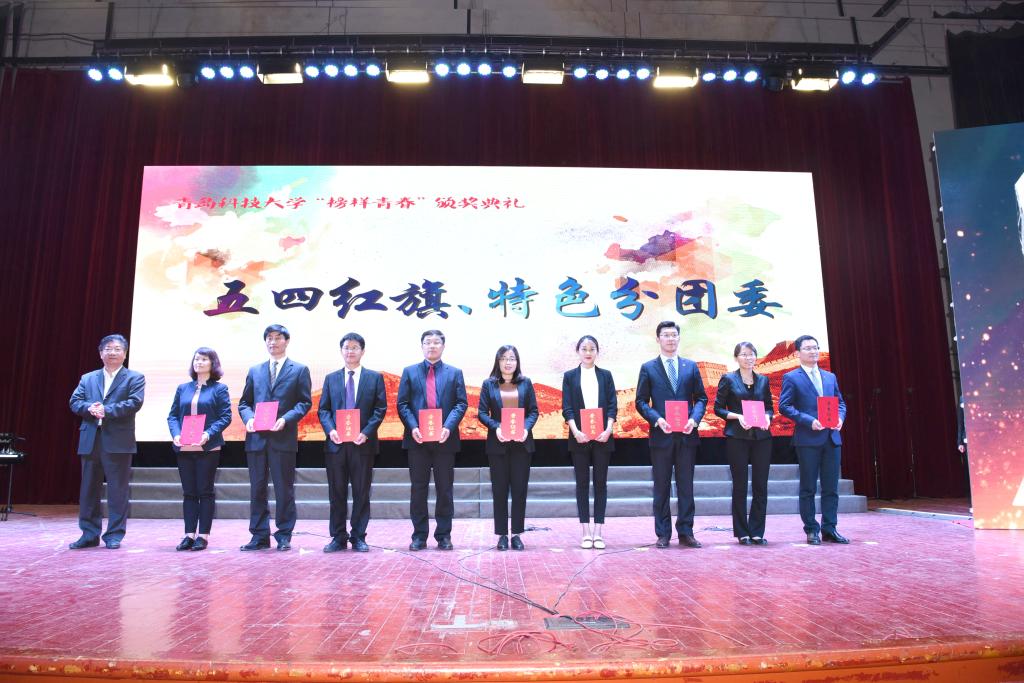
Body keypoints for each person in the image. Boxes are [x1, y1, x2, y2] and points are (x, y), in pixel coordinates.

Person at [237, 324, 312, 551]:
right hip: (257, 439)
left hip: (283, 437)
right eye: (269, 338)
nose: (273, 342)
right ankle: (259, 535)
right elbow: (244, 403)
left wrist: (286, 419)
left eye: (278, 338)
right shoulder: (255, 370)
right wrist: (249, 418)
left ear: (286, 341)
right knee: (257, 489)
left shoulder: (299, 370)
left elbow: (304, 402)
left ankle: (284, 535)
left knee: (284, 489)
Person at [68, 334, 145, 550]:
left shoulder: (135, 378)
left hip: (119, 440)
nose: (112, 352)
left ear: (125, 353)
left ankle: (114, 535)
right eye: (108, 349)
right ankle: (89, 534)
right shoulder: (88, 378)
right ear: (100, 353)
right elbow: (75, 401)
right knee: (88, 489)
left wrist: (106, 410)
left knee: (117, 490)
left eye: (117, 349)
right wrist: (89, 408)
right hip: (91, 439)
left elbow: (134, 403)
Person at [635, 321, 708, 549]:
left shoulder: (690, 367)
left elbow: (701, 398)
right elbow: (640, 401)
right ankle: (663, 533)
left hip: (687, 435)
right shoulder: (648, 368)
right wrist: (657, 419)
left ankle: (686, 532)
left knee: (686, 486)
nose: (670, 339)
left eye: (674, 335)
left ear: (679, 338)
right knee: (662, 487)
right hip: (662, 435)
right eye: (666, 335)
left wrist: (694, 419)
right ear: (658, 339)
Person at [396, 329, 468, 551]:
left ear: (443, 346)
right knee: (418, 489)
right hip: (417, 440)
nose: (432, 346)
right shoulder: (409, 372)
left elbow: (461, 403)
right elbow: (403, 404)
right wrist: (413, 427)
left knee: (444, 489)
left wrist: (448, 427)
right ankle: (419, 536)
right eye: (428, 342)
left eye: (436, 342)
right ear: (422, 346)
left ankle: (444, 535)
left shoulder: (454, 373)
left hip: (445, 439)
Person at [317, 333, 387, 553]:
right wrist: (330, 430)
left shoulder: (374, 378)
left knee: (361, 493)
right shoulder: (331, 378)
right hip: (336, 445)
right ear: (341, 351)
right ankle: (338, 537)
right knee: (336, 493)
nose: (350, 351)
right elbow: (323, 409)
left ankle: (358, 537)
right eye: (346, 347)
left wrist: (366, 432)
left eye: (355, 347)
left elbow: (380, 409)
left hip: (362, 445)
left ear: (362, 351)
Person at [779, 334, 848, 545]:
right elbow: (784, 406)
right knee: (808, 487)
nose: (813, 351)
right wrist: (809, 421)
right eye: (808, 348)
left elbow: (840, 403)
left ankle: (830, 528)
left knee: (831, 488)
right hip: (808, 439)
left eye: (815, 347)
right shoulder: (792, 377)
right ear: (798, 353)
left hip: (831, 438)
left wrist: (840, 418)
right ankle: (811, 529)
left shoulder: (830, 377)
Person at [166, 347, 232, 551]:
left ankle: (203, 535)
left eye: (204, 359)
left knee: (205, 491)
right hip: (184, 447)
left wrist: (208, 434)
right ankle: (188, 535)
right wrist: (176, 434)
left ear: (213, 363)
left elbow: (225, 417)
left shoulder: (219, 389)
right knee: (189, 492)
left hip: (208, 447)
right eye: (196, 359)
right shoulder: (182, 388)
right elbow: (173, 416)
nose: (199, 362)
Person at [477, 345, 539, 551]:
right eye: (504, 358)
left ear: (517, 361)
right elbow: (482, 413)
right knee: (500, 491)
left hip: (522, 444)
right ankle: (502, 535)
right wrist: (496, 428)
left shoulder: (526, 383)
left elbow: (533, 411)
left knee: (520, 490)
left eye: (512, 358)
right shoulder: (489, 384)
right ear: (498, 361)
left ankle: (517, 534)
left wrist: (526, 428)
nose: (508, 362)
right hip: (498, 445)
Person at [714, 342, 774, 545]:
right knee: (740, 485)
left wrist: (768, 417)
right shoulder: (728, 379)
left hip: (762, 438)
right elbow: (718, 409)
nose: (749, 358)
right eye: (744, 354)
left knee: (760, 485)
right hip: (737, 437)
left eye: (752, 354)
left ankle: (757, 531)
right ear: (736, 358)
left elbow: (769, 407)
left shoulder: (763, 380)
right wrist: (738, 416)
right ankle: (742, 532)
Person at [561, 335, 617, 549]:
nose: (588, 352)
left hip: (603, 436)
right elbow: (567, 407)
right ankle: (585, 532)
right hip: (579, 437)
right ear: (578, 351)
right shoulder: (570, 376)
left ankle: (598, 532)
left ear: (597, 352)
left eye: (592, 348)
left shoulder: (605, 375)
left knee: (601, 483)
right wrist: (576, 431)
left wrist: (608, 429)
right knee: (582, 483)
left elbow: (612, 405)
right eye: (584, 348)